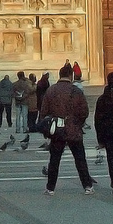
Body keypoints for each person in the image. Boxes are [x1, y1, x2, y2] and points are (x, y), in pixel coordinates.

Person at [40, 66, 94, 195]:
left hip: (57, 130)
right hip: (73, 129)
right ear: (71, 76)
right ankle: (87, 186)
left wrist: (48, 127)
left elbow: (43, 112)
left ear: (60, 75)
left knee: (54, 160)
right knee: (80, 159)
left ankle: (50, 188)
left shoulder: (51, 90)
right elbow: (84, 112)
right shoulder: (76, 91)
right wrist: (77, 123)